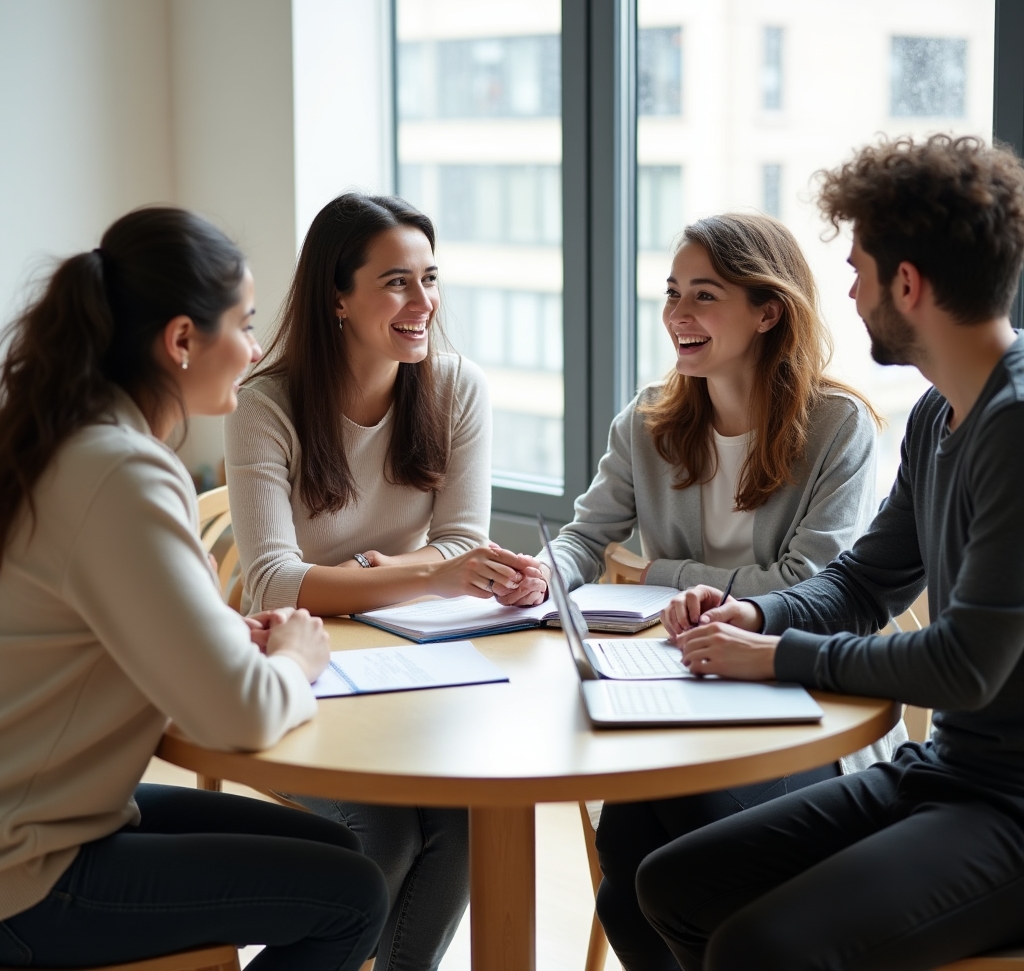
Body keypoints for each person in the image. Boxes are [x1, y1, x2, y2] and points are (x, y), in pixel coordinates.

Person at [638, 134, 1024, 971]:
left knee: (760, 948)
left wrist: (778, 654)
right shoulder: (939, 416)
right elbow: (864, 581)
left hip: (1014, 808)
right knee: (673, 884)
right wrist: (754, 612)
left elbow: (965, 668)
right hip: (951, 773)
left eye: (858, 270)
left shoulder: (1016, 426)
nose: (847, 293)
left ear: (908, 285)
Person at [497, 212, 900, 970]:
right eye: (672, 291)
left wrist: (659, 574)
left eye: (704, 296)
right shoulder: (648, 422)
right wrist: (545, 575)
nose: (677, 314)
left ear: (767, 310)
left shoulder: (837, 426)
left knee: (675, 831)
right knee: (624, 869)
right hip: (681, 690)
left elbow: (809, 584)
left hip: (800, 703)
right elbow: (589, 537)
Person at [0, 207, 389, 969]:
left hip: (56, 816)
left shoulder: (63, 439)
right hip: (31, 870)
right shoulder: (120, 471)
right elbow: (237, 714)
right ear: (181, 340)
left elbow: (110, 633)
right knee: (353, 895)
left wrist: (222, 640)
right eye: (242, 325)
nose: (252, 348)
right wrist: (297, 661)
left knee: (338, 847)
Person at [225, 192, 534, 971]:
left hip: (410, 662)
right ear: (338, 295)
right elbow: (271, 584)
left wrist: (366, 573)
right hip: (295, 663)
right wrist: (422, 573)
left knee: (464, 822)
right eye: (397, 282)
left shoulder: (455, 387)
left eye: (431, 278)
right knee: (386, 837)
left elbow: (464, 542)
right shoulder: (265, 404)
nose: (423, 302)